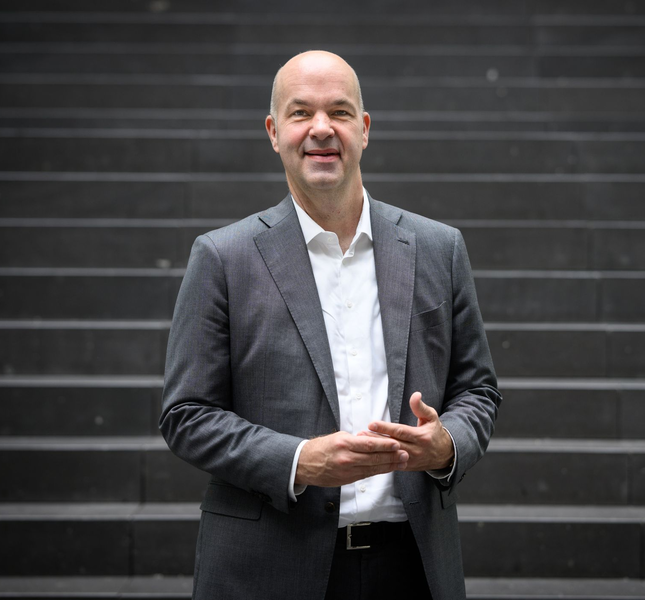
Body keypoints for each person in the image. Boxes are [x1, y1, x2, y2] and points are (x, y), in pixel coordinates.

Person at [160, 50, 500, 600]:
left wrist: (446, 444)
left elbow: (478, 390)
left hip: (413, 566)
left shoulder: (440, 248)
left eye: (339, 112)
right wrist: (300, 461)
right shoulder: (222, 258)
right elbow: (186, 414)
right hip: (269, 567)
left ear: (363, 130)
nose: (322, 129)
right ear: (274, 132)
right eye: (301, 113)